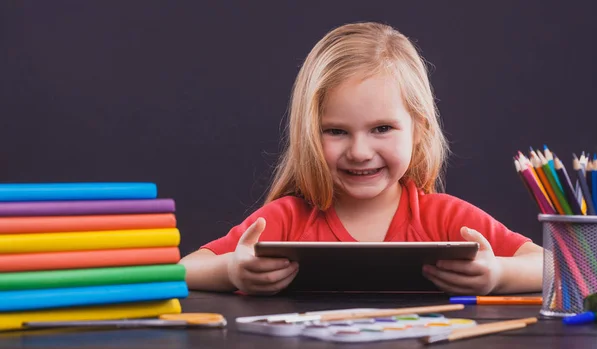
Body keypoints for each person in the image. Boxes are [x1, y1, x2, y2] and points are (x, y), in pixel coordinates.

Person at [179, 21, 543, 296]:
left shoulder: (447, 219)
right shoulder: (287, 219)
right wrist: (231, 271)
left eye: (382, 128)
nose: (359, 152)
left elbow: (557, 265)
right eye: (336, 131)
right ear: (308, 133)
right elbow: (182, 269)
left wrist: (499, 274)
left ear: (419, 129)